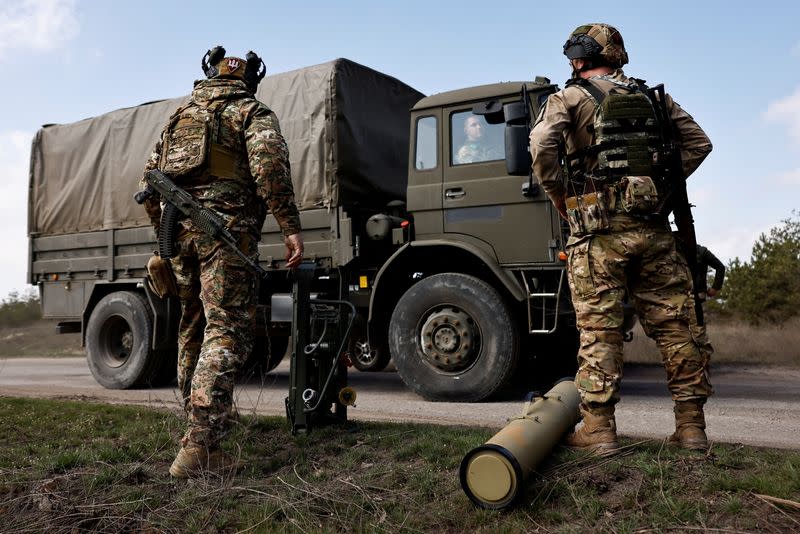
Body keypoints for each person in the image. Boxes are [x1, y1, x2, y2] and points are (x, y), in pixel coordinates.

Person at [529, 23, 714, 453]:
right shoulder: (654, 97)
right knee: (677, 329)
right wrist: (658, 191)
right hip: (653, 231)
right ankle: (691, 430)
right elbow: (699, 143)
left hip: (598, 235)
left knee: (599, 333)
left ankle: (598, 431)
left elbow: (541, 145)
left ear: (578, 58)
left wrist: (560, 195)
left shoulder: (569, 97)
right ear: (617, 55)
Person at [139, 46, 304, 478]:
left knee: (192, 325)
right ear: (249, 78)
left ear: (210, 74)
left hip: (180, 236)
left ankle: (198, 429)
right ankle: (199, 447)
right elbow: (270, 167)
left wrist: (165, 240)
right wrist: (289, 226)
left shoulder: (180, 117)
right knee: (226, 330)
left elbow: (149, 182)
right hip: (223, 235)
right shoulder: (251, 112)